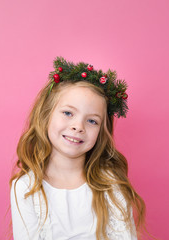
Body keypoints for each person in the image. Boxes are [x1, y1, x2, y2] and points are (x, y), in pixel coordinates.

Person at [9, 57, 151, 240]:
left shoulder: (111, 184)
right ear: (46, 115)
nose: (78, 126)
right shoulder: (26, 188)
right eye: (68, 113)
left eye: (92, 121)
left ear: (101, 131)